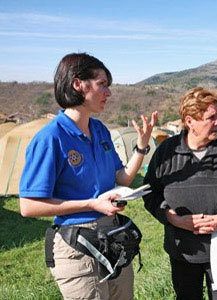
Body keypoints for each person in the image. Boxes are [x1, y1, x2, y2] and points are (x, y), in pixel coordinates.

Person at [19, 53, 157, 300]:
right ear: (78, 84)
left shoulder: (100, 130)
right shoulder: (51, 138)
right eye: (102, 84)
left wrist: (141, 147)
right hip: (77, 246)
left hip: (113, 238)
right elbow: (28, 206)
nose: (108, 92)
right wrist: (91, 204)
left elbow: (122, 179)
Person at [143, 87, 217, 300]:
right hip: (183, 252)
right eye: (211, 117)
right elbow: (150, 193)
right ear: (190, 121)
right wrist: (173, 219)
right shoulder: (166, 153)